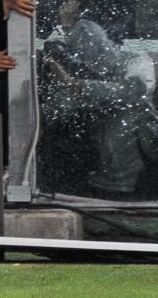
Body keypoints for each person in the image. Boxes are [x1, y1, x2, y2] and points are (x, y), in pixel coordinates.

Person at [42, 18, 158, 198]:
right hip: (101, 174)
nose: (92, 59)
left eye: (95, 50)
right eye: (84, 55)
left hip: (139, 165)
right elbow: (59, 108)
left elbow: (134, 91)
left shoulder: (137, 62)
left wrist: (77, 84)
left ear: (106, 44)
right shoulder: (88, 73)